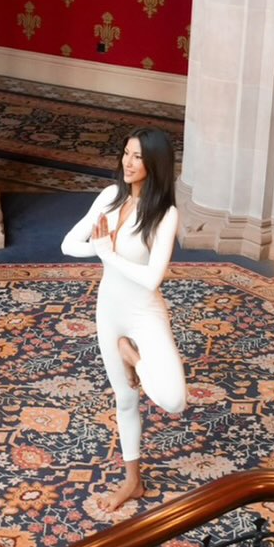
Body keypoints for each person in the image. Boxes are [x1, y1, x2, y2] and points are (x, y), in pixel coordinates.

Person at [61, 127, 187, 510]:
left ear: (155, 165)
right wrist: (101, 250)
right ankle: (133, 480)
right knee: (126, 400)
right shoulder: (109, 198)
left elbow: (152, 278)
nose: (128, 163)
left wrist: (107, 253)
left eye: (137, 157)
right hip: (110, 309)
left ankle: (133, 357)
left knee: (174, 399)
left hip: (144, 311)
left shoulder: (165, 214)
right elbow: (68, 245)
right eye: (126, 154)